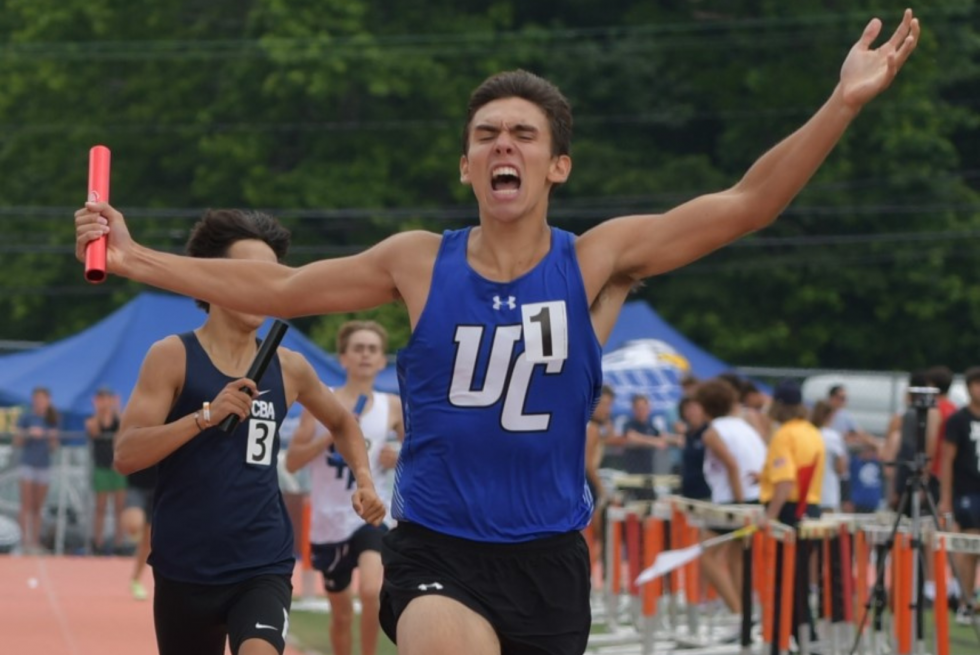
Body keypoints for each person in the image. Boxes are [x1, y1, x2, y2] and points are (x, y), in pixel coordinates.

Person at [75, 14, 919, 654]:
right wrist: (139, 255)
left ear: (557, 165)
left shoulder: (597, 261)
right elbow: (281, 286)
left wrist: (840, 104)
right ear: (468, 165)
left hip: (549, 558)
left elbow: (745, 205)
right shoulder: (417, 262)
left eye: (523, 134)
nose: (502, 144)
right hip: (438, 545)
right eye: (486, 135)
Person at [108, 210, 386, 655]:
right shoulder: (172, 357)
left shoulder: (289, 366)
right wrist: (204, 416)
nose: (262, 288)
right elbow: (126, 453)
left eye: (270, 277)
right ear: (212, 281)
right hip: (184, 566)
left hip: (261, 561)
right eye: (247, 275)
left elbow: (342, 421)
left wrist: (365, 480)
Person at [286, 320, 403, 655]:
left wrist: (399, 456)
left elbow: (419, 455)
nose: (365, 356)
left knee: (370, 591)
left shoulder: (392, 406)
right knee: (339, 615)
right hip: (328, 520)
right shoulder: (323, 402)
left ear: (382, 360)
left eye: (373, 350)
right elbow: (292, 462)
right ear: (343, 358)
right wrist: (332, 434)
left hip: (371, 514)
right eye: (358, 349)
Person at [760, 379, 825, 653]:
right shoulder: (812, 431)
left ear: (779, 405)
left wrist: (770, 518)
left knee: (780, 581)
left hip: (789, 511)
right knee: (797, 581)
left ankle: (779, 640)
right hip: (810, 509)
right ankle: (805, 637)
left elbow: (785, 483)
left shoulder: (784, 434)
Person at [695, 378, 766, 615]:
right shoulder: (744, 426)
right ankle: (746, 613)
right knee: (737, 558)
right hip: (755, 496)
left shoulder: (713, 432)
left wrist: (740, 505)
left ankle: (737, 612)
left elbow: (733, 465)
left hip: (733, 501)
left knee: (706, 556)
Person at [939, 366, 980, 625]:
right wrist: (945, 497)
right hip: (968, 491)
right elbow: (947, 460)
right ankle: (964, 601)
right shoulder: (958, 420)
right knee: (970, 544)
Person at [13, 387, 59, 553]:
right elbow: (17, 441)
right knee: (26, 504)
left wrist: (51, 437)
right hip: (28, 464)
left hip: (44, 465)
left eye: (43, 399)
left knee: (38, 506)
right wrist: (28, 434)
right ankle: (23, 541)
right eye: (37, 399)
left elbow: (54, 447)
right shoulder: (26, 417)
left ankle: (34, 541)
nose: (40, 402)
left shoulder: (52, 419)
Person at [86, 386, 127, 555]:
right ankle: (98, 542)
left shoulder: (118, 418)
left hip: (117, 467)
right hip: (101, 467)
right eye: (101, 399)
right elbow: (94, 431)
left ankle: (119, 543)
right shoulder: (92, 420)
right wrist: (100, 412)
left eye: (107, 399)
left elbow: (124, 428)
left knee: (119, 507)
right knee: (100, 507)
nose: (104, 402)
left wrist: (116, 409)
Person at [121, 463, 157, 601]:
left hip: (159, 487)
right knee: (133, 524)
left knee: (148, 543)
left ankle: (136, 579)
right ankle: (138, 530)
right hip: (137, 488)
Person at [810, 400, 848, 513]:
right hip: (828, 492)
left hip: (809, 492)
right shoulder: (832, 437)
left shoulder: (808, 433)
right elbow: (841, 469)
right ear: (830, 416)